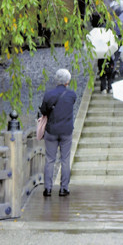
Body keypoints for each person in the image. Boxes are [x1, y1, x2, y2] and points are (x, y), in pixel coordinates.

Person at [40, 68, 77, 197]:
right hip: (66, 131)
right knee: (65, 159)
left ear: (56, 80)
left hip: (51, 130)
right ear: (67, 81)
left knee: (50, 159)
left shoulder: (49, 95)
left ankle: (48, 189)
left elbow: (44, 111)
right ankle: (63, 189)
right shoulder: (72, 95)